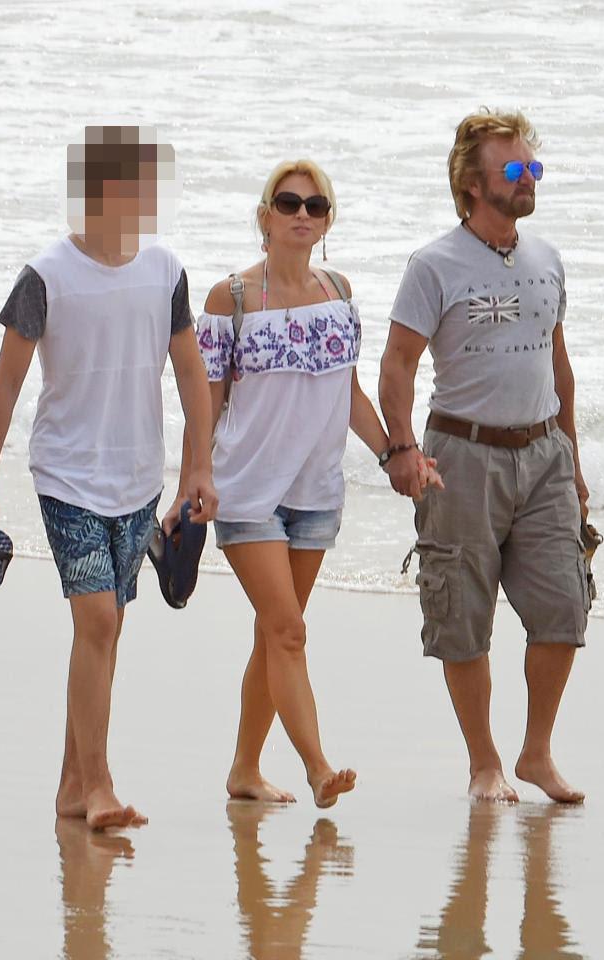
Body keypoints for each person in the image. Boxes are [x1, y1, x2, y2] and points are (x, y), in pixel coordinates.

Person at [0, 126, 217, 829]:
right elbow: (5, 386)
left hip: (139, 476)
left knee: (105, 631)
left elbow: (192, 373)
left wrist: (198, 463)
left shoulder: (165, 270)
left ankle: (73, 787)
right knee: (98, 620)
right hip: (67, 474)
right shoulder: (46, 276)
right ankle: (99, 786)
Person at [166, 159, 441, 808]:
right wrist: (191, 480)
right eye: (288, 204)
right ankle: (318, 767)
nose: (301, 215)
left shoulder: (338, 293)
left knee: (274, 634)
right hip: (246, 493)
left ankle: (244, 770)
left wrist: (398, 454)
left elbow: (347, 394)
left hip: (316, 495)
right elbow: (202, 403)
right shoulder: (228, 299)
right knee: (288, 630)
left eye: (315, 207)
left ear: (327, 223)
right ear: (264, 217)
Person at [379, 109, 589, 804]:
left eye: (533, 167)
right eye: (514, 168)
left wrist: (576, 465)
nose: (528, 178)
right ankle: (484, 764)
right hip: (460, 456)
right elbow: (398, 366)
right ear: (472, 183)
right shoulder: (433, 265)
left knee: (565, 608)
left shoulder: (547, 259)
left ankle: (535, 753)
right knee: (463, 617)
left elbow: (560, 367)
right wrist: (401, 450)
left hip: (545, 454)